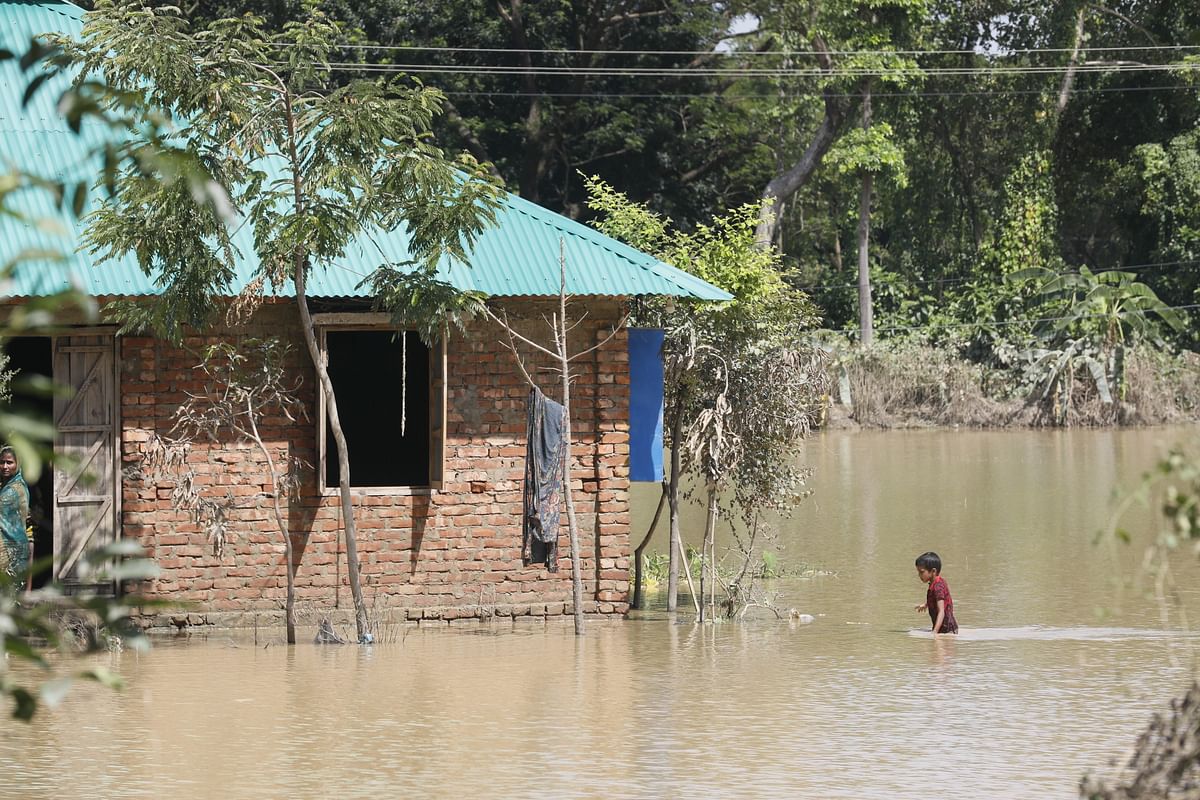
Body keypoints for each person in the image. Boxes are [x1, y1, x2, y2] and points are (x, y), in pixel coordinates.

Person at [0, 446, 32, 592]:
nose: (5, 466)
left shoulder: (13, 490)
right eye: (2, 462)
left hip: (10, 548)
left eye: (9, 462)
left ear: (18, 464)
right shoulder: (15, 485)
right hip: (14, 546)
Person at [914, 551, 957, 634]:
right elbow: (938, 599)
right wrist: (927, 604)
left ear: (933, 571)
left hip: (947, 630)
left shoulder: (938, 586)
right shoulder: (936, 583)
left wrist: (935, 632)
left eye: (922, 572)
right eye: (918, 572)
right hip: (944, 629)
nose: (919, 575)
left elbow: (941, 611)